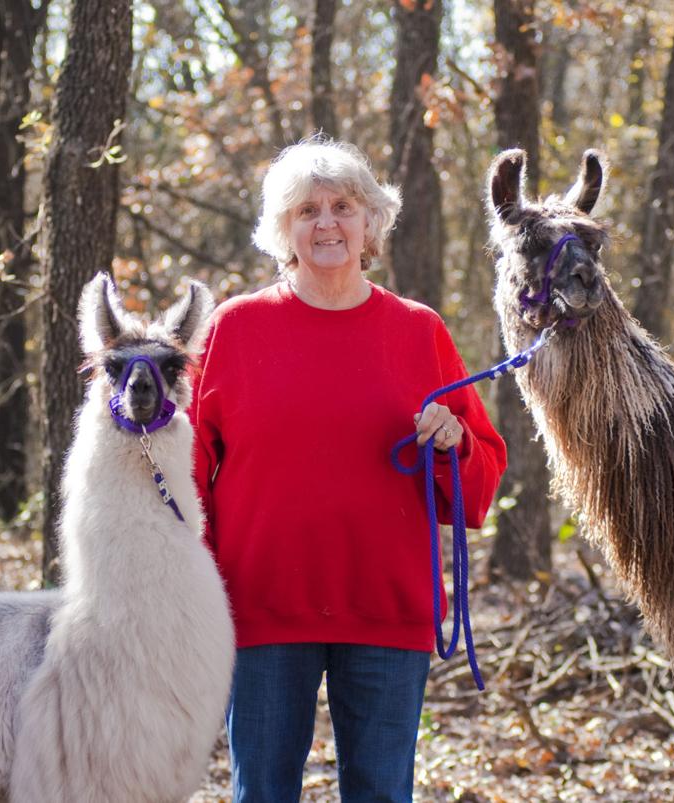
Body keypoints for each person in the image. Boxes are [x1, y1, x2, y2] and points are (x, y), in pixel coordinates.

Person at [190, 138, 507, 802]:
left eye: (342, 206)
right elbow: (187, 472)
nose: (327, 223)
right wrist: (192, 585)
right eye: (307, 210)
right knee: (262, 794)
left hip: (386, 606)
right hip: (261, 605)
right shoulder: (233, 330)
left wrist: (453, 444)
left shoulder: (419, 332)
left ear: (370, 223)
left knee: (382, 793)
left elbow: (480, 481)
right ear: (284, 229)